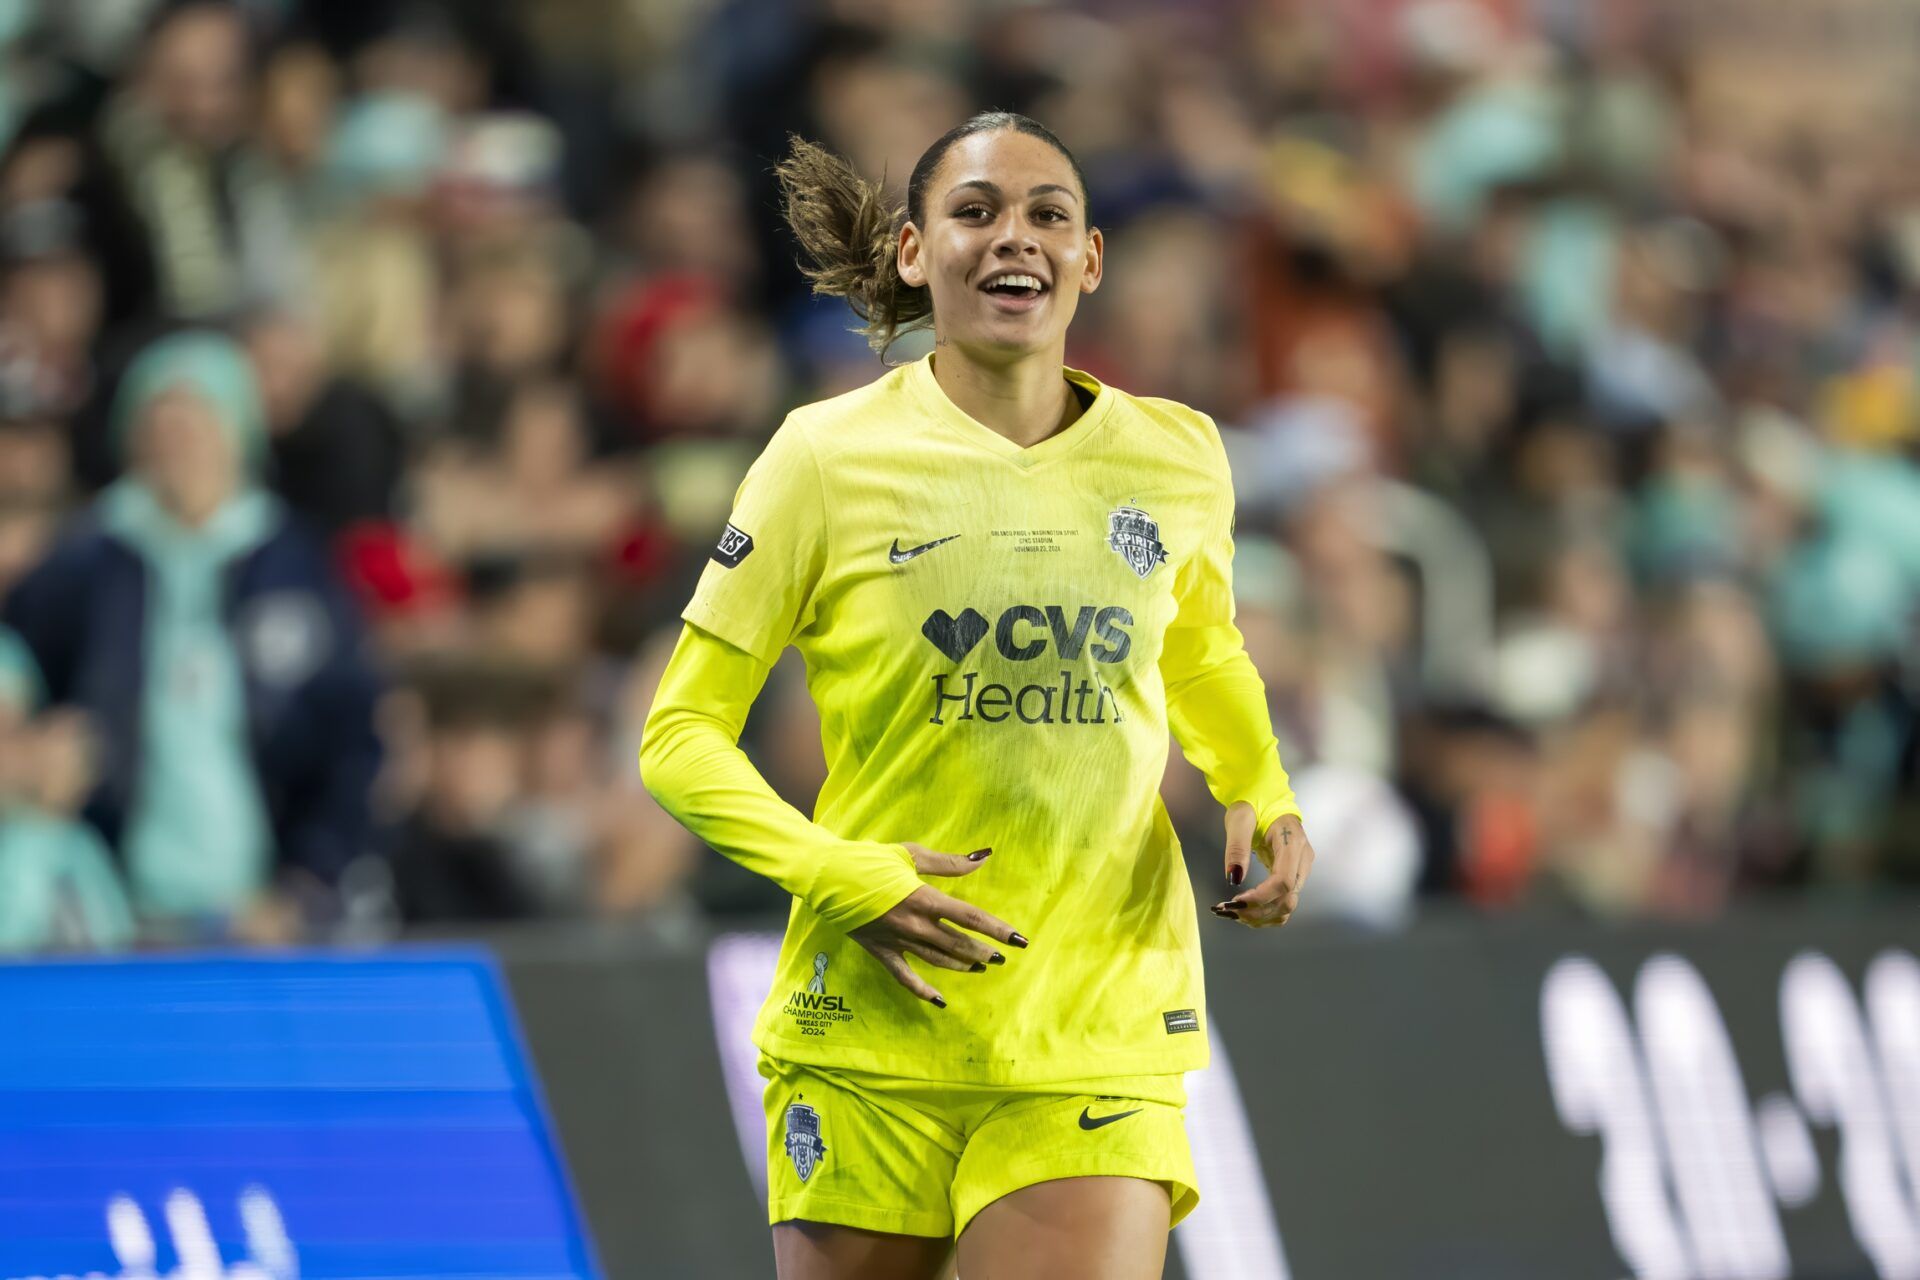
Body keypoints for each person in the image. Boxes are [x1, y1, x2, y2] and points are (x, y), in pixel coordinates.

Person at [639, 113, 1316, 1280]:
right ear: (913, 251)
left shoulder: (1181, 455)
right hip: (871, 1024)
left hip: (1095, 1022)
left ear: (1090, 258)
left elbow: (1200, 651)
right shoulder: (822, 457)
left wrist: (1261, 787)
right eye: (977, 211)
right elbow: (678, 736)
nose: (1018, 237)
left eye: (1049, 213)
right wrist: (837, 871)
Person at [2, 330, 383, 941]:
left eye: (199, 422)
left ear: (239, 432)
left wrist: (307, 878)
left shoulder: (293, 564)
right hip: (113, 902)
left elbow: (349, 735)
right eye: (162, 425)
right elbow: (18, 672)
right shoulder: (84, 562)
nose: (181, 445)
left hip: (263, 909)